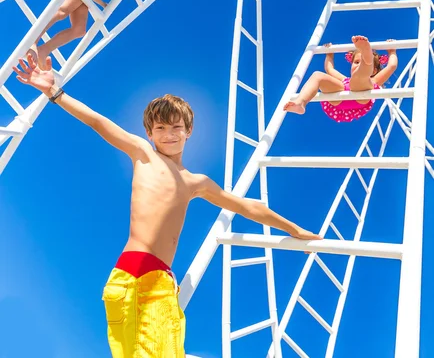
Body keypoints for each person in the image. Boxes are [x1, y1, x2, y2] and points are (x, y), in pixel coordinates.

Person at [14, 54, 322, 358]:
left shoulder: (195, 182)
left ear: (188, 131)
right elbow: (98, 122)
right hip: (133, 275)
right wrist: (55, 93)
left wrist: (295, 230)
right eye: (160, 129)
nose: (168, 135)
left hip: (161, 279)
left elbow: (246, 206)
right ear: (149, 133)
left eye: (175, 127)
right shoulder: (143, 155)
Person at [284, 35, 398, 123]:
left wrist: (392, 51)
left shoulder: (375, 80)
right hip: (339, 102)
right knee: (317, 75)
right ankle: (300, 103)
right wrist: (329, 54)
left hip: (360, 100)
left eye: (360, 62)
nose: (357, 65)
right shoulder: (345, 80)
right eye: (356, 62)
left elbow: (391, 66)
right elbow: (330, 69)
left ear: (374, 71)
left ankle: (367, 58)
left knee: (359, 79)